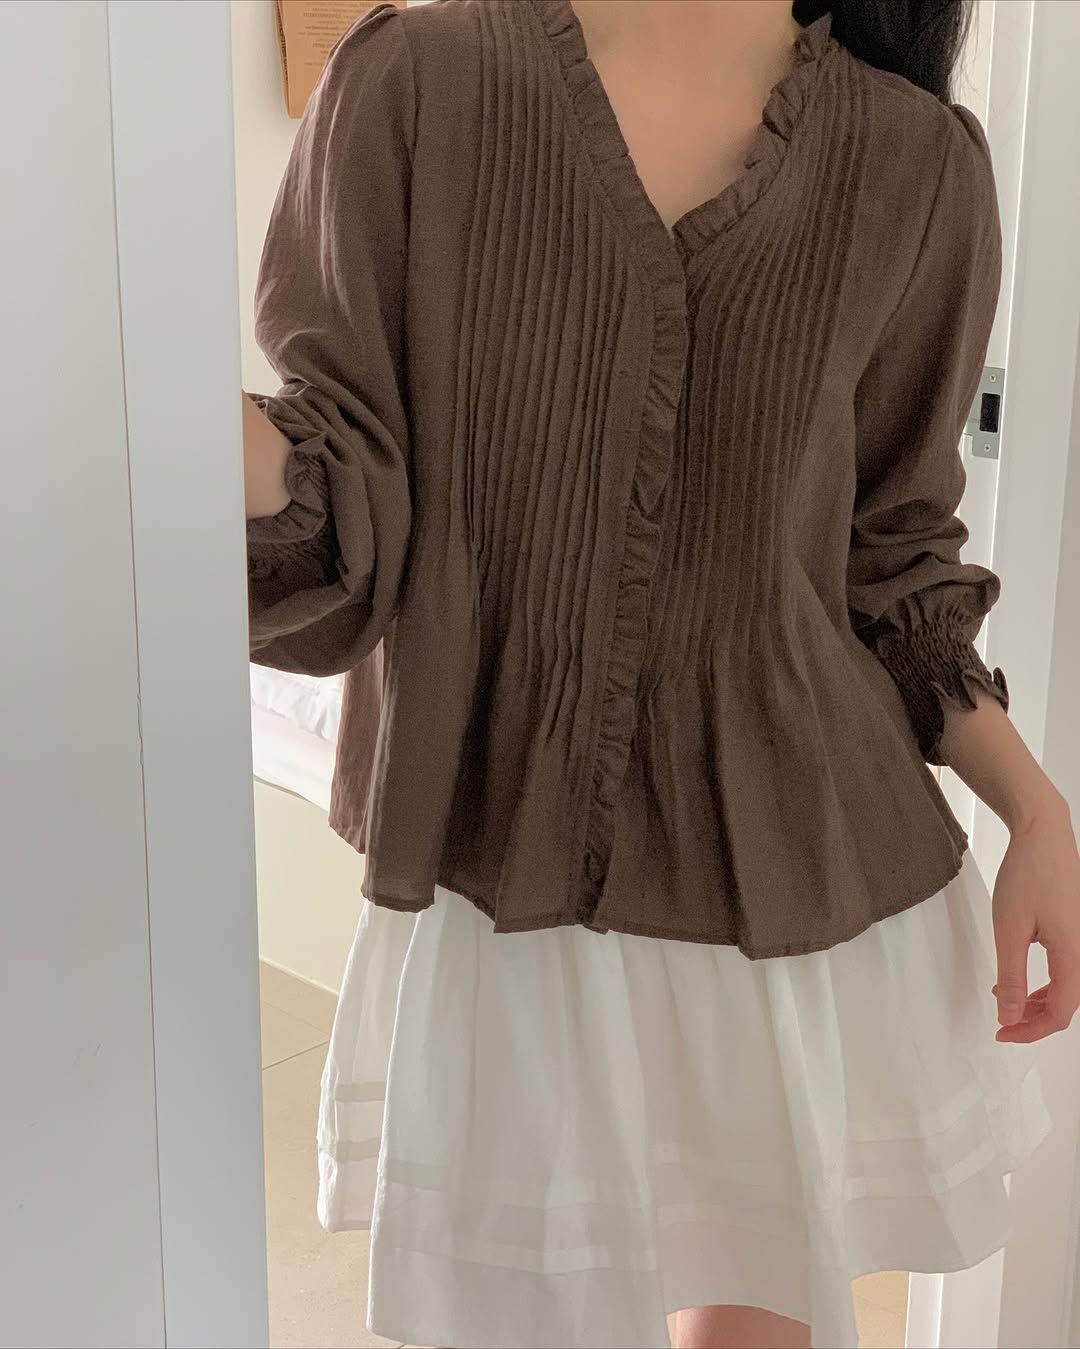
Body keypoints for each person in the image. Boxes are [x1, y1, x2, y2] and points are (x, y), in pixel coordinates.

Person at [242, 2, 1077, 1345]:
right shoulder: (416, 88)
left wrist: (1034, 807)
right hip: (507, 872)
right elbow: (346, 510)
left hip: (791, 875)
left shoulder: (918, 164)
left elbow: (895, 559)